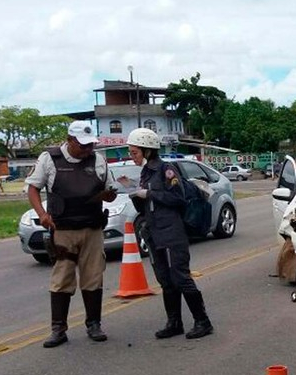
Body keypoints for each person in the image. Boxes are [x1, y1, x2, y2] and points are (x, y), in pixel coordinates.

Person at [26, 121, 116, 348]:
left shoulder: (98, 160)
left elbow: (111, 190)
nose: (88, 150)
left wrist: (108, 196)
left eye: (90, 145)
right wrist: (42, 214)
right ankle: (58, 329)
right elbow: (33, 188)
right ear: (69, 140)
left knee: (93, 276)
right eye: (83, 146)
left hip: (92, 229)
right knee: (62, 278)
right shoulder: (49, 159)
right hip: (63, 230)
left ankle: (94, 324)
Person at [124, 128, 214, 339]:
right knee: (165, 279)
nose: (132, 156)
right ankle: (174, 322)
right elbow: (144, 207)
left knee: (180, 277)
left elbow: (177, 199)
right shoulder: (145, 173)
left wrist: (150, 193)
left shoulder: (167, 170)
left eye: (134, 152)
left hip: (172, 231)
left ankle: (202, 321)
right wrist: (136, 195)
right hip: (154, 231)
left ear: (147, 151)